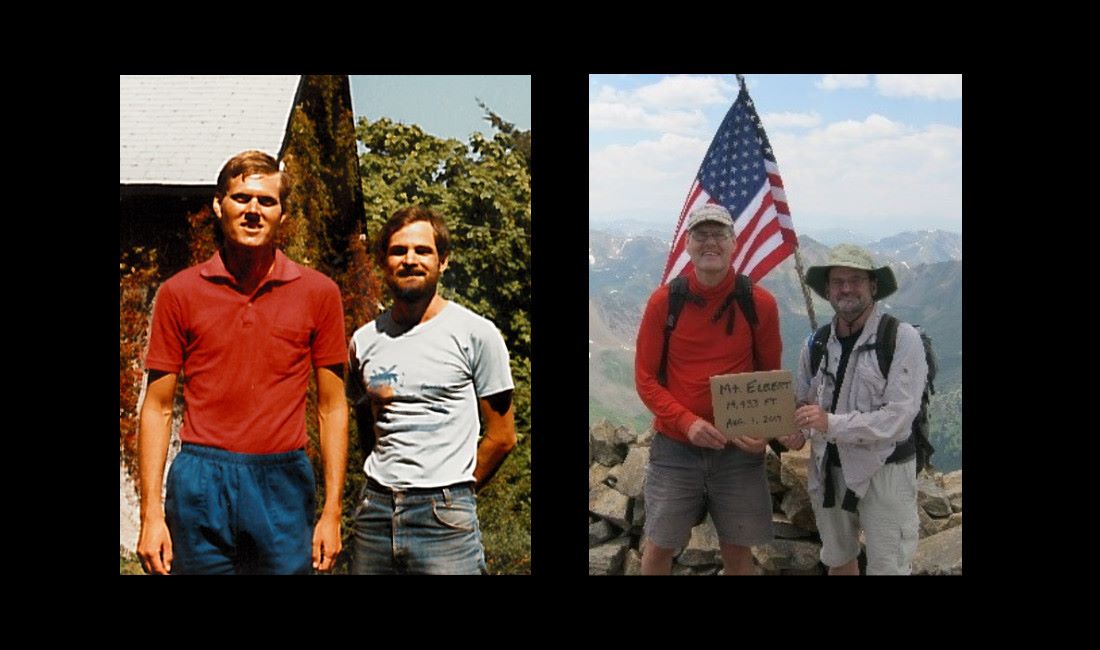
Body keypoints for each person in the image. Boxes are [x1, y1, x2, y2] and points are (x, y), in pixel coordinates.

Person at [136, 150, 348, 575]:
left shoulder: (319, 293)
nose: (253, 210)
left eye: (266, 201)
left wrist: (332, 512)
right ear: (219, 205)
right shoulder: (180, 292)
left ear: (283, 214)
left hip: (281, 483)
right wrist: (151, 515)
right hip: (201, 480)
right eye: (241, 198)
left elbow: (332, 406)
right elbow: (157, 408)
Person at [347, 206, 517, 575]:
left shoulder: (475, 334)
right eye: (398, 251)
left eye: (423, 250)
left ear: (443, 261)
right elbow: (363, 416)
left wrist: (457, 495)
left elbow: (503, 437)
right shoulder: (363, 341)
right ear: (383, 260)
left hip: (445, 518)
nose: (410, 260)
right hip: (374, 512)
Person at [634, 204, 782, 575]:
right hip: (675, 448)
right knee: (659, 545)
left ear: (735, 243)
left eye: (719, 235)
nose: (710, 243)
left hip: (737, 451)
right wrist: (687, 423)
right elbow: (645, 379)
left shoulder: (760, 303)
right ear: (688, 245)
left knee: (737, 548)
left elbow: (768, 376)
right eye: (701, 235)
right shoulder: (664, 302)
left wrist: (762, 429)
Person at [778, 244, 926, 575]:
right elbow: (805, 403)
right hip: (829, 469)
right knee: (838, 558)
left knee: (888, 567)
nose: (846, 288)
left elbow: (898, 419)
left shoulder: (900, 339)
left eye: (856, 279)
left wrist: (830, 423)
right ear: (827, 290)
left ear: (873, 286)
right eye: (838, 281)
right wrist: (799, 432)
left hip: (885, 470)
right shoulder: (815, 344)